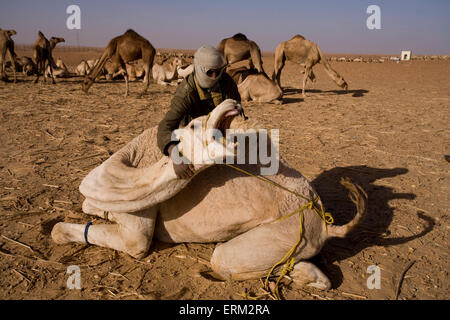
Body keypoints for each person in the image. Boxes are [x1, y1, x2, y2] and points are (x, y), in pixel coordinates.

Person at [157, 45, 242, 179]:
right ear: (199, 68)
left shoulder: (227, 83)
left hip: (222, 135)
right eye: (210, 72)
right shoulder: (186, 92)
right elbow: (165, 127)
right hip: (195, 137)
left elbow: (237, 112)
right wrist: (176, 156)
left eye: (218, 71)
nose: (215, 76)